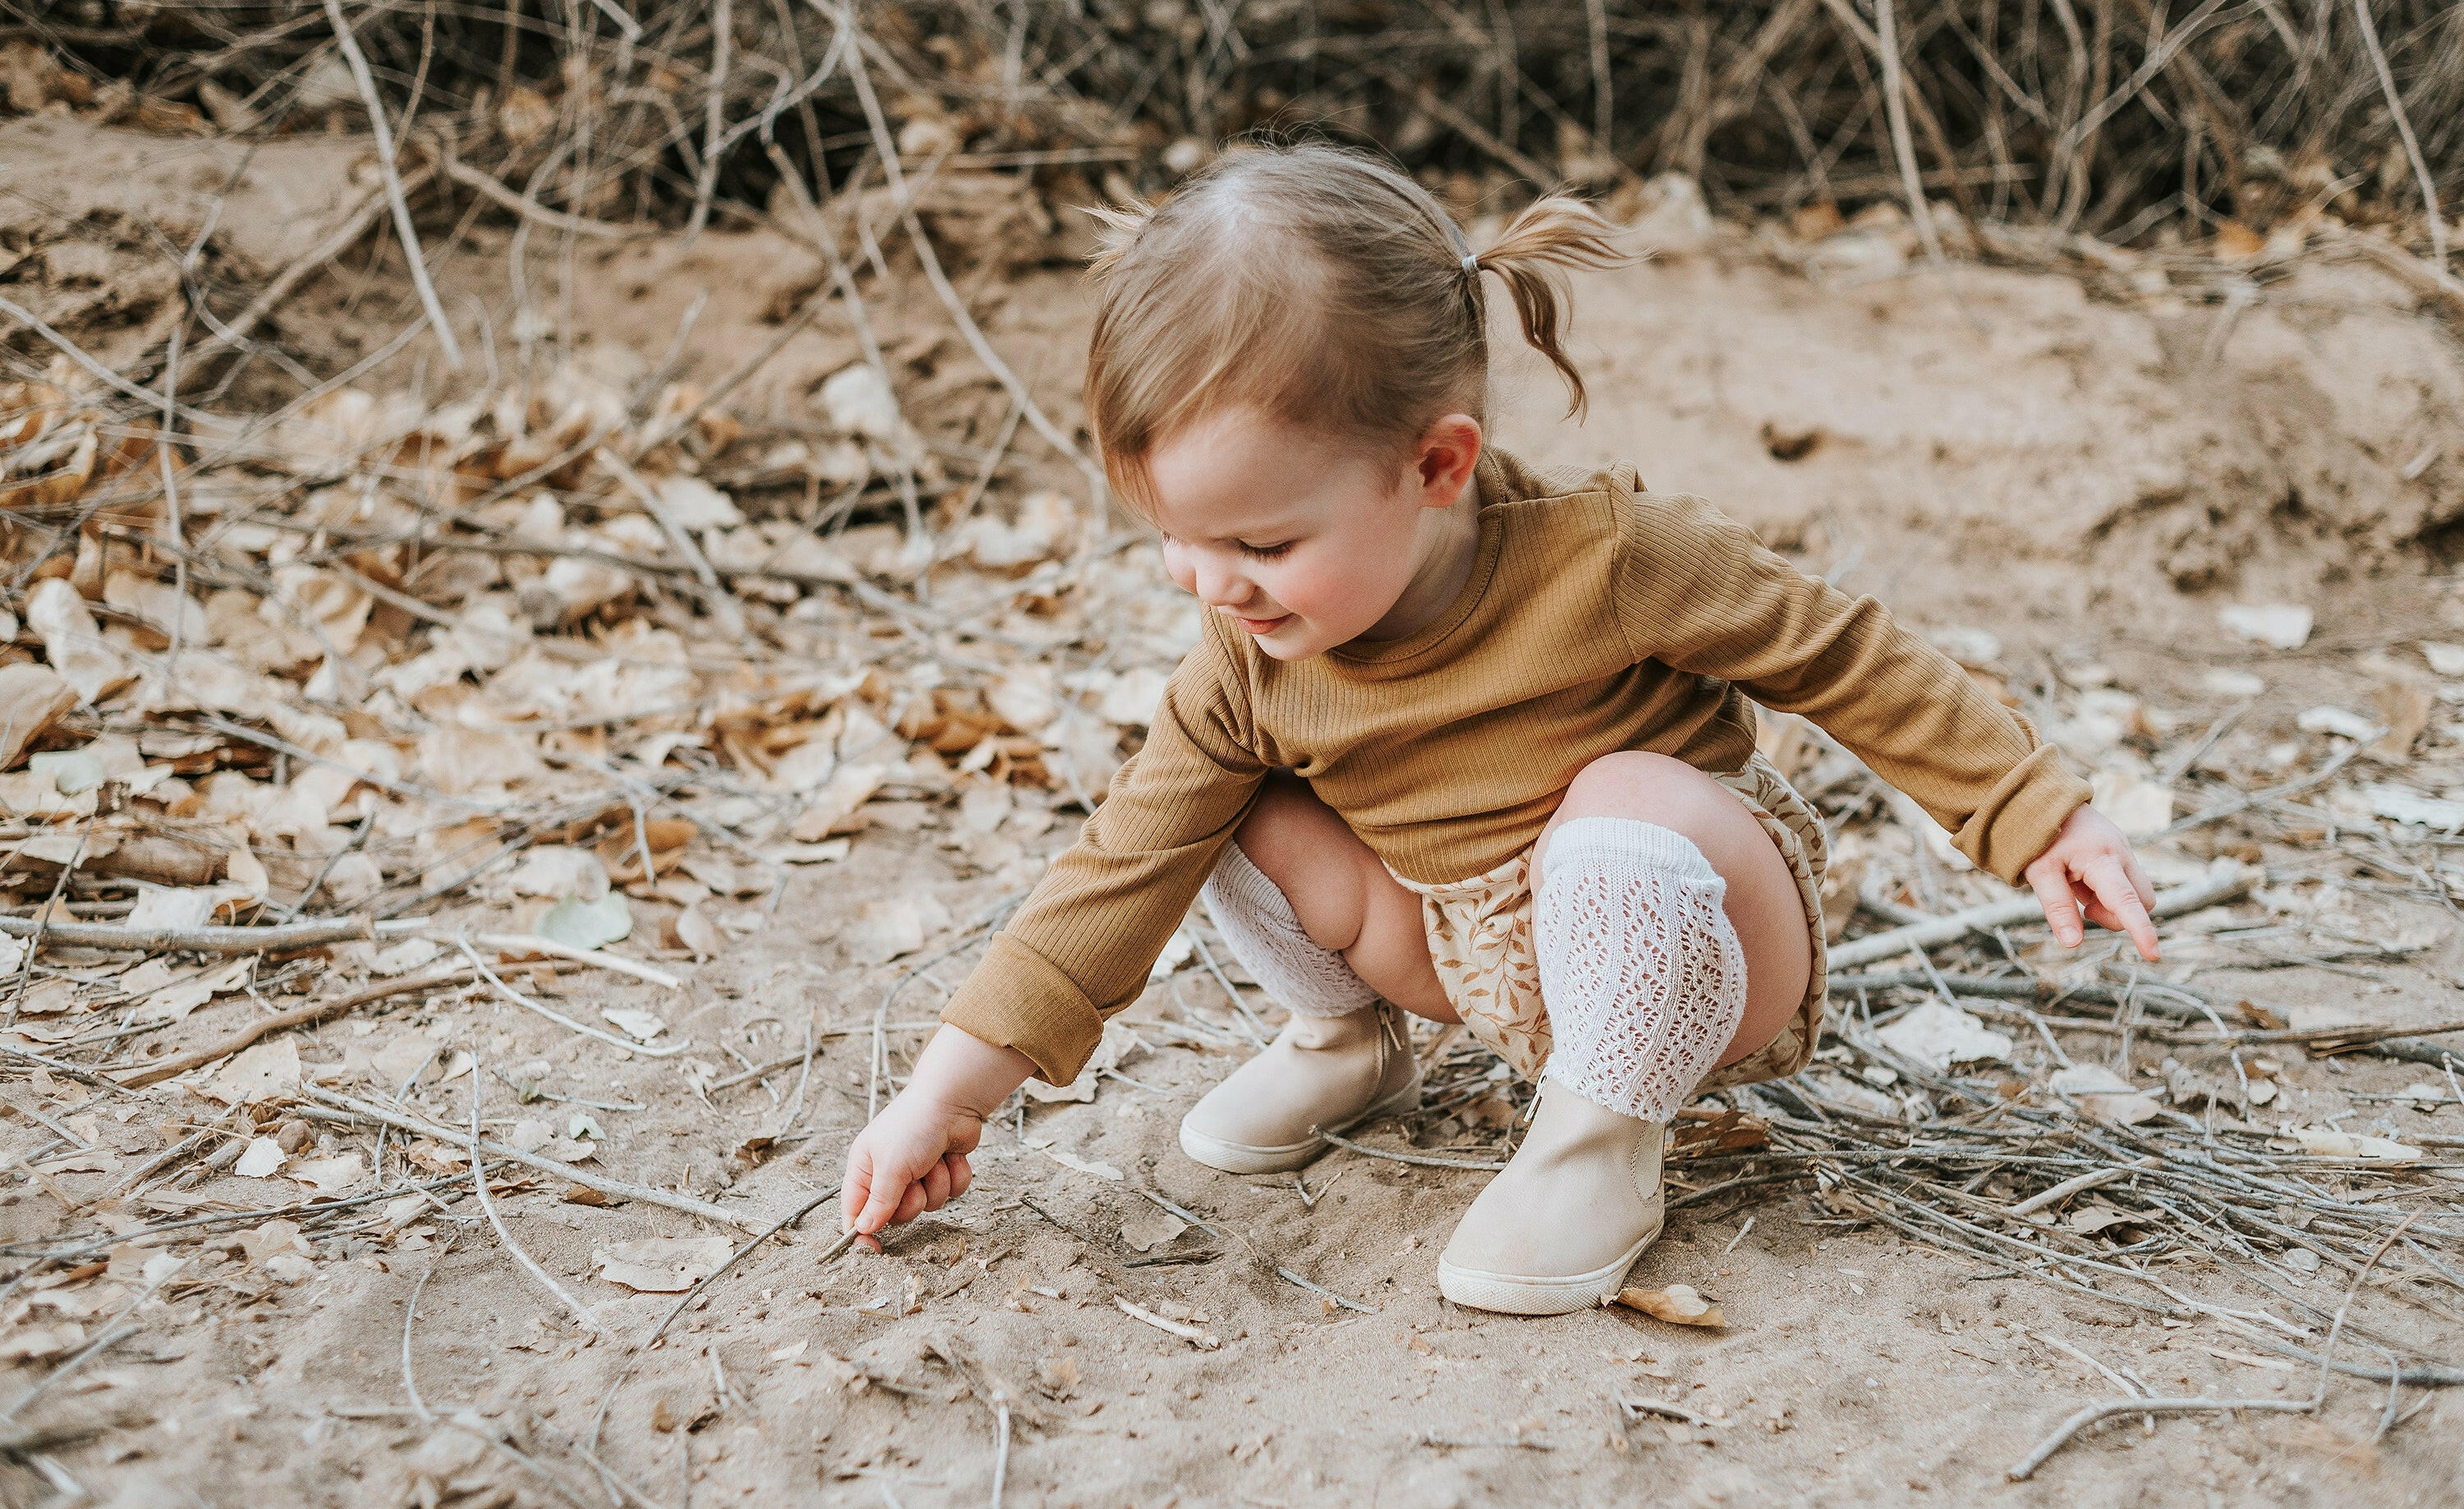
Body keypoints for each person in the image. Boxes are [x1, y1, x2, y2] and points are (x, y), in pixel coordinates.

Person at [838, 140, 2158, 1314]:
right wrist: (940, 1097)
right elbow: (1119, 866)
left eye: (1261, 544)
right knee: (1208, 804)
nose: (1212, 585)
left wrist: (2032, 809)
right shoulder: (1246, 661)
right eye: (1176, 540)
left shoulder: (1610, 558)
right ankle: (1345, 1045)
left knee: (1629, 801)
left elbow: (1844, 652)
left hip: (1698, 951)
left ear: (1436, 465)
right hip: (1462, 954)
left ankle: (1601, 1143)